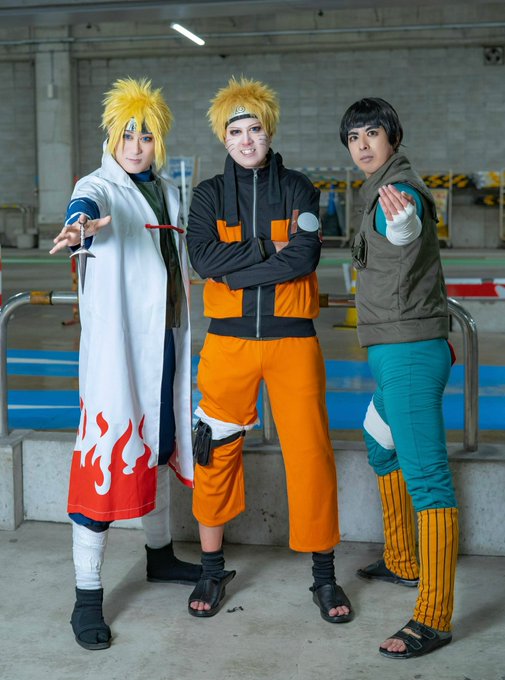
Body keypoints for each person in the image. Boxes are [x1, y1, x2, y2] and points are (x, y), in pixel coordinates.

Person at [185, 76, 352, 623]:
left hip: (292, 342)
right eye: (236, 131)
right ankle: (212, 570)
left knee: (311, 455)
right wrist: (262, 248)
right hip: (227, 344)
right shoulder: (208, 194)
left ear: (269, 131)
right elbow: (203, 260)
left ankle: (324, 577)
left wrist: (234, 271)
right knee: (213, 452)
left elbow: (303, 257)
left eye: (254, 128)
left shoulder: (301, 188)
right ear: (224, 138)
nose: (246, 140)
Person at [50, 77, 201, 651]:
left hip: (164, 343)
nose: (136, 146)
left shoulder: (169, 191)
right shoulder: (99, 185)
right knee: (105, 455)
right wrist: (80, 224)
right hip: (118, 353)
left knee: (158, 445)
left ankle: (159, 555)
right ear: (112, 137)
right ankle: (87, 595)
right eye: (128, 134)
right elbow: (88, 208)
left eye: (147, 135)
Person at [339, 97, 458, 659]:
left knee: (428, 482)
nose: (363, 144)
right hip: (394, 352)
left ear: (393, 137)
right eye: (354, 137)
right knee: (377, 440)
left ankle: (433, 617)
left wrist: (404, 222)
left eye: (372, 133)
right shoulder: (375, 189)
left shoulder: (399, 190)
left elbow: (404, 225)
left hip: (410, 353)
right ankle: (403, 559)